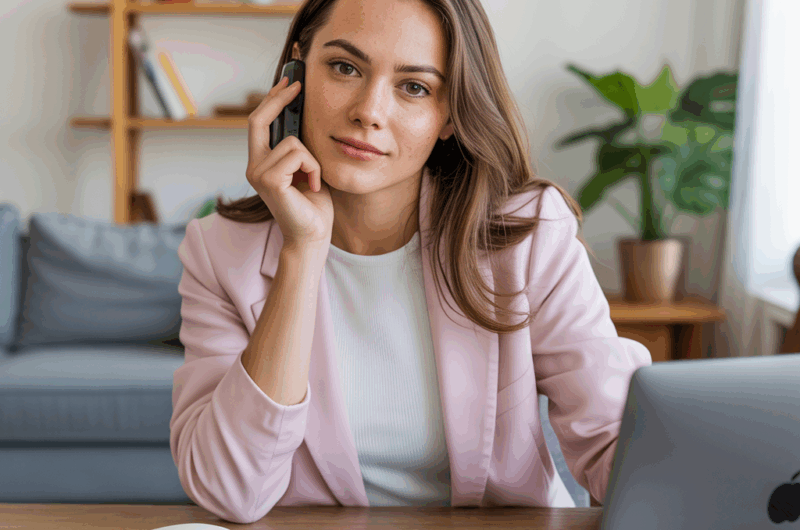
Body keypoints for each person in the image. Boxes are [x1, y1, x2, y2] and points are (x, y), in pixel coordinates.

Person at [169, 0, 652, 524]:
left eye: (415, 87)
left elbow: (618, 448)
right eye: (345, 67)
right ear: (296, 74)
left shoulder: (528, 237)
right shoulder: (219, 251)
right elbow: (229, 490)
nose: (369, 111)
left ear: (449, 116)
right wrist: (302, 251)